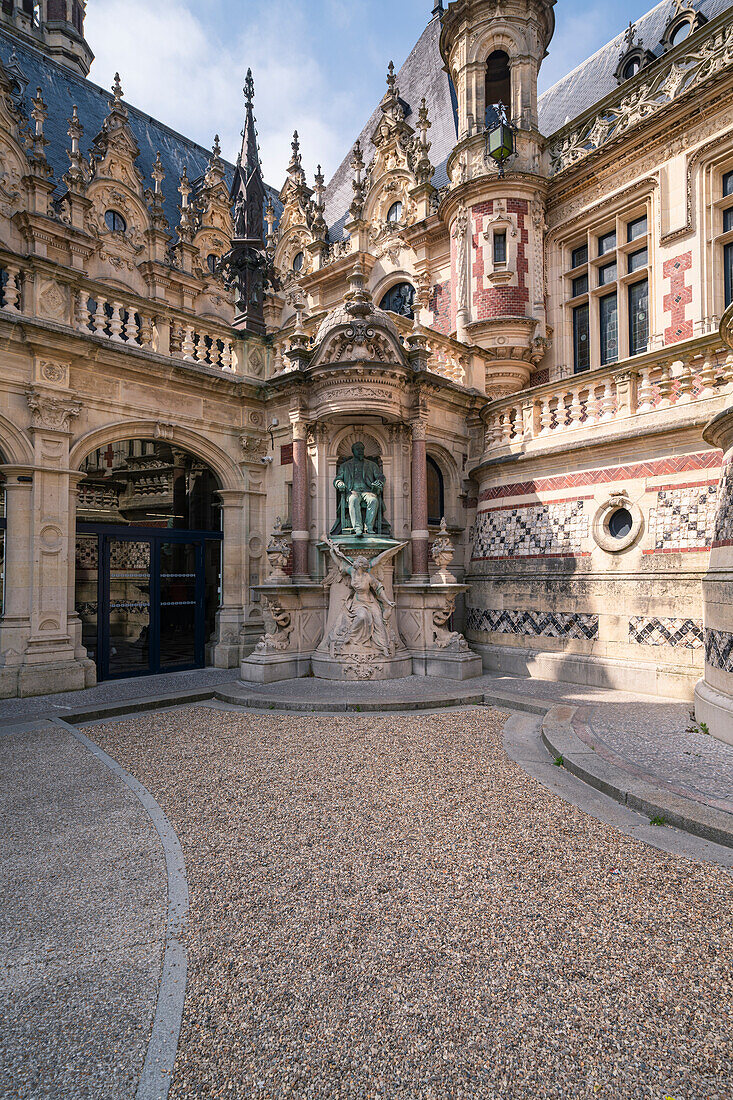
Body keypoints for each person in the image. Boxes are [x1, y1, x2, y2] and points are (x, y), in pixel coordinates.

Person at [334, 442, 385, 536]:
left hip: (368, 491)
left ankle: (368, 527)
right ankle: (357, 528)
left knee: (373, 500)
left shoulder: (372, 465)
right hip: (352, 491)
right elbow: (337, 479)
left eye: (362, 449)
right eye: (358, 449)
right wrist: (339, 483)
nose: (360, 451)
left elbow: (380, 477)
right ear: (353, 451)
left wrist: (379, 482)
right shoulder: (345, 466)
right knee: (353, 499)